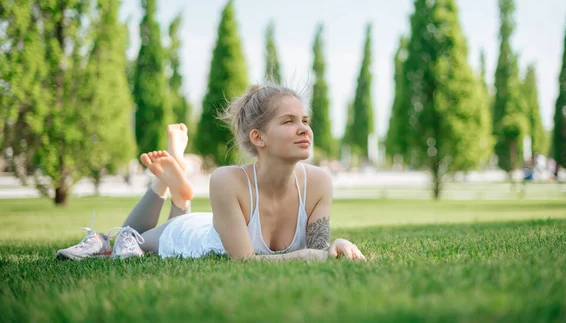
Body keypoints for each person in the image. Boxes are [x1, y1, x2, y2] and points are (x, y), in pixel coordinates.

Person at [56, 84, 366, 262]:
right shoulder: (227, 179)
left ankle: (176, 187)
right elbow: (245, 262)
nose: (304, 129)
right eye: (288, 122)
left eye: (305, 120)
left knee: (136, 236)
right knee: (127, 240)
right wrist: (310, 257)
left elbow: (319, 250)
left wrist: (336, 245)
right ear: (258, 138)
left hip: (220, 225)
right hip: (191, 234)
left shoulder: (319, 182)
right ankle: (165, 186)